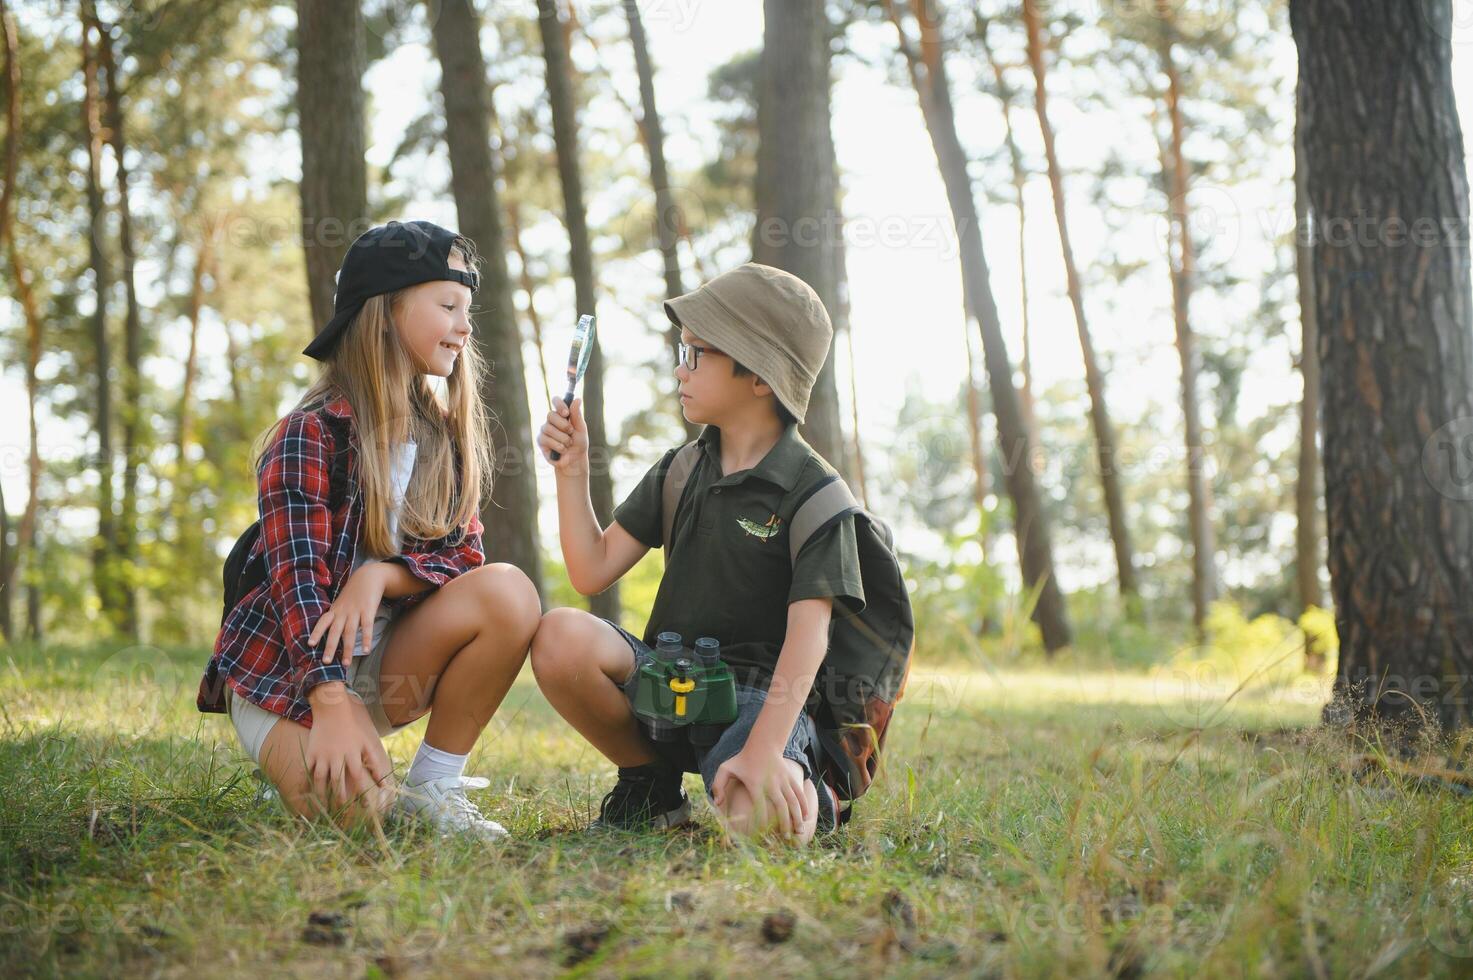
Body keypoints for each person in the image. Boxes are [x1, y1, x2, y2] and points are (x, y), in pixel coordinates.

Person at [197, 220, 541, 840]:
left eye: (468, 309)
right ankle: (336, 761)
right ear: (384, 312)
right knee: (357, 821)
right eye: (447, 306)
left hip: (384, 665)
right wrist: (329, 700)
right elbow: (296, 580)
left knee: (508, 590)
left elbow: (465, 555)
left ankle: (435, 784)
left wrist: (380, 576)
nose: (465, 326)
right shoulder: (308, 434)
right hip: (287, 672)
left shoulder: (441, 439)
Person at [531, 263, 865, 845]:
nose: (681, 371)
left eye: (696, 355)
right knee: (560, 635)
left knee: (761, 823)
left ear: (760, 376)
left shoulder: (814, 495)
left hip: (757, 702)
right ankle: (651, 785)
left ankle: (814, 788)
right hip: (666, 679)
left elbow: (808, 639)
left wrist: (762, 753)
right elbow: (591, 568)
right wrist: (573, 471)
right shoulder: (681, 471)